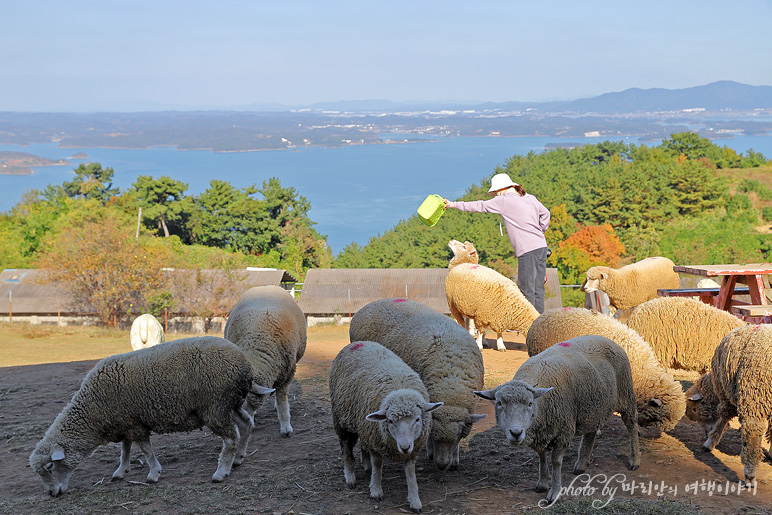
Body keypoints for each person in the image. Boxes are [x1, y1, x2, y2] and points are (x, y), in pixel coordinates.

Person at [443, 173, 551, 313]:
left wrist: (453, 204)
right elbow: (546, 213)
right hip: (541, 246)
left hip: (527, 250)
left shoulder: (504, 200)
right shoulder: (530, 198)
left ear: (501, 189)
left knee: (526, 289)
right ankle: (539, 324)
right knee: (538, 288)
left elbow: (479, 205)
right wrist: (540, 230)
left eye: (495, 192)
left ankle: (529, 325)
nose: (495, 195)